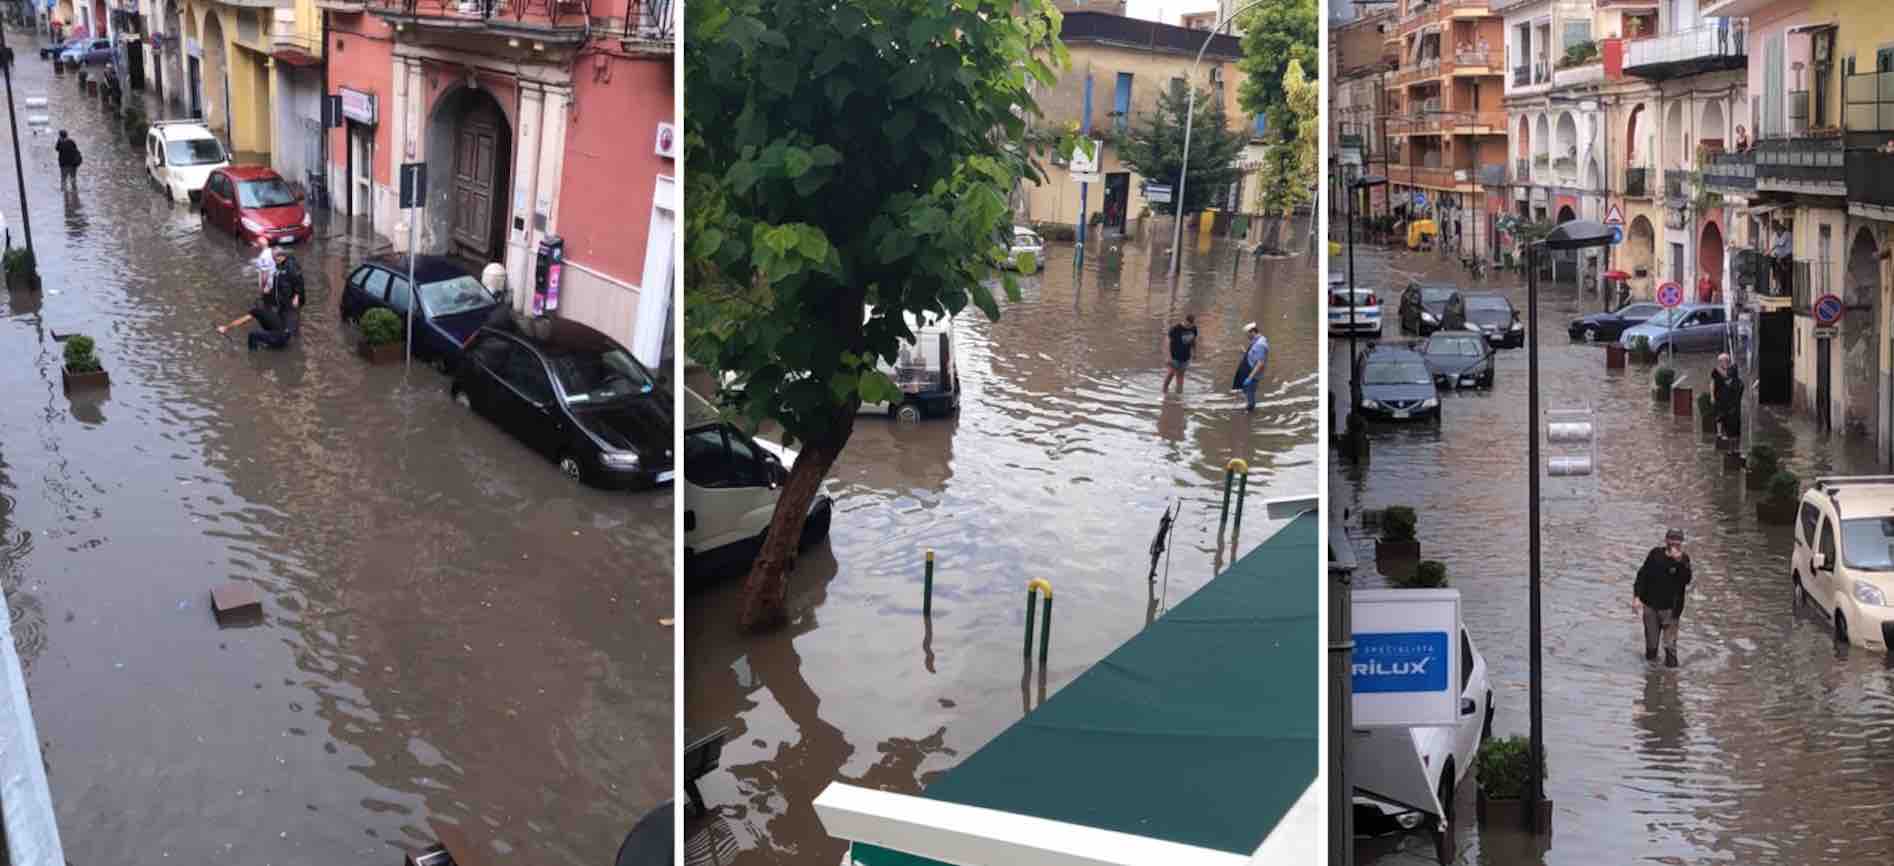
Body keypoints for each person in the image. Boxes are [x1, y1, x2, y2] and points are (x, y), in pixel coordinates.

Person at [1633, 528, 1693, 667]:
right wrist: (1636, 597)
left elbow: (1686, 580)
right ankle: (1651, 679)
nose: (1674, 542)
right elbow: (1642, 576)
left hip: (1671, 610)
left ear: (1682, 542)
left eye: (1678, 540)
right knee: (1651, 648)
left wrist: (1679, 562)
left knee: (1670, 648)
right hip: (1650, 607)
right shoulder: (1655, 554)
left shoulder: (1684, 559)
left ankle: (1672, 681)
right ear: (1666, 540)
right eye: (1672, 539)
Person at [1232, 321, 1269, 413]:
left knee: (1250, 395)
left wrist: (1249, 378)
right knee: (1248, 393)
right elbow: (1254, 357)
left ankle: (1250, 413)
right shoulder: (1256, 341)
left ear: (1252, 332)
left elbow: (1260, 363)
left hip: (1252, 374)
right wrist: (1245, 352)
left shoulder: (1260, 344)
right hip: (1248, 371)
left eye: (1247, 334)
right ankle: (1249, 409)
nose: (1247, 337)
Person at [269, 247, 305, 336]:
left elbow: (299, 282)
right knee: (282, 321)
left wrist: (296, 297)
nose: (273, 260)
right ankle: (284, 335)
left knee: (291, 323)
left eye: (274, 258)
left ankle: (293, 340)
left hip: (291, 301)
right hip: (282, 300)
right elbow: (277, 279)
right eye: (272, 258)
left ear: (281, 256)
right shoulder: (279, 264)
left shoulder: (291, 266)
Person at [1162, 314, 1198, 393]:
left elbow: (1193, 341)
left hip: (1185, 357)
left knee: (1180, 376)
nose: (1189, 327)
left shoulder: (1194, 328)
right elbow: (1167, 342)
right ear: (1185, 321)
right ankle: (1164, 392)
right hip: (1174, 356)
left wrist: (1195, 353)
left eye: (1191, 325)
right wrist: (1168, 357)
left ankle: (1179, 395)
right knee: (1171, 374)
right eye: (1188, 325)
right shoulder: (1175, 328)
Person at [1712, 353, 1743, 440]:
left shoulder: (1732, 373)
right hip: (1723, 400)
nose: (1722, 362)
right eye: (1720, 361)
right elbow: (1713, 383)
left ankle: (1730, 439)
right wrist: (1712, 396)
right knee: (1720, 416)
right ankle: (1721, 435)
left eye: (1725, 361)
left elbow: (1727, 379)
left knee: (1728, 420)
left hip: (1731, 404)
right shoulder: (1716, 371)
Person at [1771, 222, 1793, 293]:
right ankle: (1780, 289)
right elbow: (1777, 244)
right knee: (1779, 275)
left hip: (1787, 258)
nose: (1777, 232)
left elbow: (1779, 244)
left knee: (1785, 276)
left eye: (1778, 230)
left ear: (1781, 229)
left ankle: (1785, 291)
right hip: (1780, 258)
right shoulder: (1779, 235)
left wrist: (1770, 250)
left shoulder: (1786, 234)